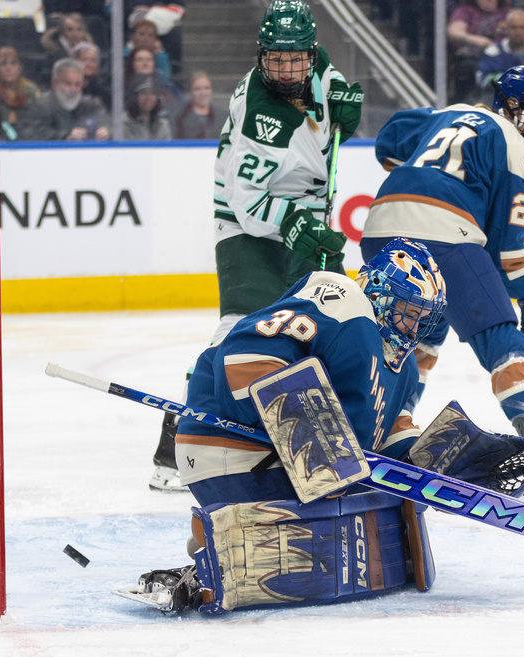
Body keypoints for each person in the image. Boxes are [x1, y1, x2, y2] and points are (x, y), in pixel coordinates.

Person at [130, 238, 524, 614]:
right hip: (232, 444)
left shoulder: (400, 369)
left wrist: (456, 458)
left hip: (291, 469)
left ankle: (222, 539)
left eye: (421, 316)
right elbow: (243, 354)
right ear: (378, 292)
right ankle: (219, 545)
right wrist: (306, 434)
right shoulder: (345, 299)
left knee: (366, 546)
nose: (412, 325)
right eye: (406, 310)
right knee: (328, 553)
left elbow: (385, 442)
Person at [146, 0, 364, 492]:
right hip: (248, 223)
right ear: (261, 55)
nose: (287, 69)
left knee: (316, 323)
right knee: (241, 327)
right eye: (276, 59)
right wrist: (295, 226)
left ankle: (299, 434)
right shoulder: (262, 115)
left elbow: (322, 113)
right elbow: (247, 204)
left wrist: (339, 122)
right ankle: (177, 434)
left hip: (301, 210)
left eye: (295, 58)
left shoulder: (318, 64)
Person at [358, 65, 524, 484]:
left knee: (415, 334)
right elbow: (506, 251)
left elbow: (388, 141)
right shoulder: (519, 148)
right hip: (445, 234)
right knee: (501, 337)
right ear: (511, 108)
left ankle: (391, 427)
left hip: (379, 225)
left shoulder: (451, 112)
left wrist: (426, 174)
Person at [17, 58, 110, 141]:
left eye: (77, 84)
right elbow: (31, 133)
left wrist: (107, 131)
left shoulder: (92, 104)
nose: (73, 90)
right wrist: (65, 136)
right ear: (54, 83)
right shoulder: (39, 106)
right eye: (68, 84)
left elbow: (113, 124)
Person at [447, 0, 510, 104]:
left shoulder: (507, 13)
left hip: (502, 61)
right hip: (473, 59)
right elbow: (454, 32)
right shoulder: (465, 11)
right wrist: (476, 40)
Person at [476, 9, 524, 98]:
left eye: (522, 27)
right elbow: (482, 79)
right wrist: (510, 78)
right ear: (506, 28)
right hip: (500, 98)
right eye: (513, 27)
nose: (518, 32)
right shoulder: (493, 52)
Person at [0, 46, 41, 127]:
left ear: (20, 67)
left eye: (13, 63)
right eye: (3, 64)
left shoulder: (31, 89)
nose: (9, 68)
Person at [174, 71, 226, 140]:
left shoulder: (222, 116)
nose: (203, 93)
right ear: (189, 91)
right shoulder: (180, 117)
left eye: (207, 88)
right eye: (197, 89)